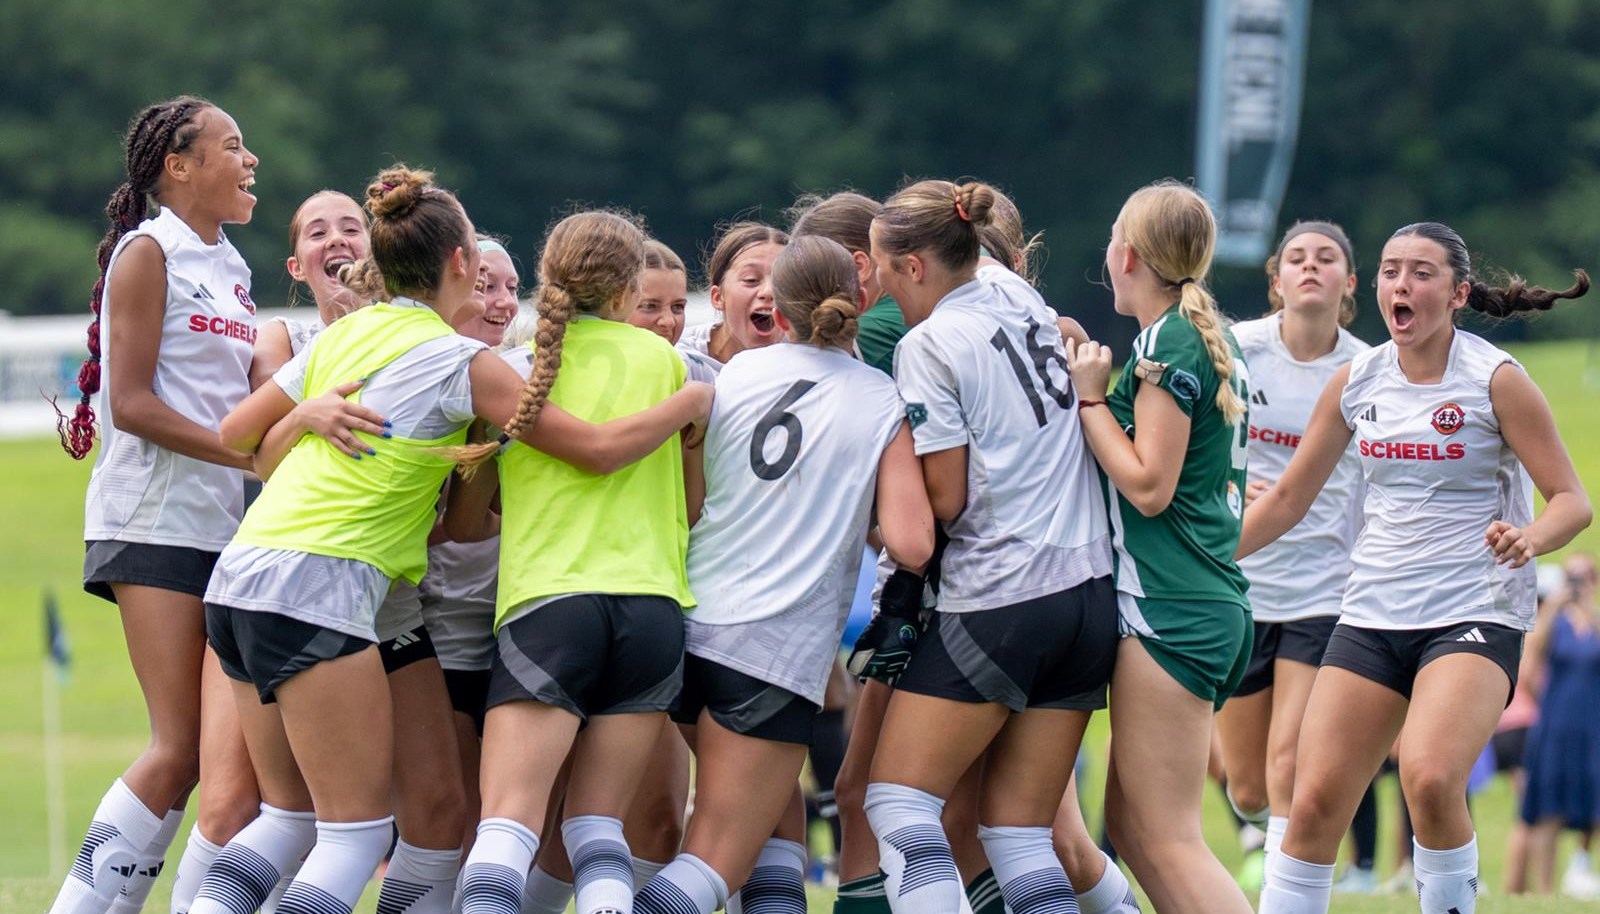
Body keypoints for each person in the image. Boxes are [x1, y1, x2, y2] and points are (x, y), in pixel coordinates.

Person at [201, 169, 710, 914]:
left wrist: (308, 411)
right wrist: (693, 400)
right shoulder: (460, 363)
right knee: (351, 836)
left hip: (241, 578)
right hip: (323, 583)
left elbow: (232, 435)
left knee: (289, 817)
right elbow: (595, 450)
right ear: (463, 265)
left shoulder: (343, 333)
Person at [1244, 221, 1592, 914]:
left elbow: (1572, 501)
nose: (1401, 285)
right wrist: (1203, 559)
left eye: (1421, 273)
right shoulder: (1358, 380)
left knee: (1430, 778)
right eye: (1390, 271)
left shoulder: (1496, 380)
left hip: (1473, 612)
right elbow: (1286, 499)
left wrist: (1529, 536)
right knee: (1310, 802)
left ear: (1458, 293)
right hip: (1371, 612)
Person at [634, 235, 933, 914]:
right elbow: (912, 543)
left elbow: (698, 497)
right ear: (860, 298)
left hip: (689, 625)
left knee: (779, 829)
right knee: (714, 854)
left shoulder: (733, 375)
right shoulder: (879, 397)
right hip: (772, 653)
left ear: (781, 308)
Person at [862, 179, 1116, 914]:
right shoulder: (1017, 296)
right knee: (1018, 832)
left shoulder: (929, 343)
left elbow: (947, 500)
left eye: (882, 269)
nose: (880, 286)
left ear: (914, 266)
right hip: (1088, 593)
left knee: (901, 808)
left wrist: (879, 491)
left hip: (1004, 595)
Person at [447, 209, 704, 914]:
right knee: (597, 830)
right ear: (628, 286)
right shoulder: (667, 363)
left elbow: (468, 525)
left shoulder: (514, 374)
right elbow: (693, 504)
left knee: (509, 822)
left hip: (549, 608)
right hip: (653, 610)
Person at [49, 96, 259, 914]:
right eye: (233, 147)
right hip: (152, 522)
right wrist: (246, 451)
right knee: (177, 748)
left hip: (221, 528)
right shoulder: (149, 252)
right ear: (180, 166)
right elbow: (130, 404)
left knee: (203, 758)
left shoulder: (232, 266)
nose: (251, 161)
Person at [173, 189, 375, 914]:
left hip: (376, 589)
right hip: (266, 582)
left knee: (338, 816)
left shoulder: (411, 341)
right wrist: (312, 413)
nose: (338, 239)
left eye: (353, 227)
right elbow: (255, 447)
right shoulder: (282, 342)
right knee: (231, 805)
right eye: (318, 232)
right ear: (297, 263)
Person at [1065, 179, 1255, 914]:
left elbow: (1150, 485)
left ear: (1129, 255)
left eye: (1114, 241)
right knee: (1139, 836)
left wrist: (1089, 398)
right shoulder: (1197, 332)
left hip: (1174, 607)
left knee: (1168, 838)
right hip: (1198, 603)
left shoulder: (1168, 340)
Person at [1214, 220, 1368, 876]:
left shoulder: (1367, 370)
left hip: (1324, 590)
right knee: (1246, 787)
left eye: (1326, 258)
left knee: (1289, 764)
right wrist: (1226, 487)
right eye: (1297, 258)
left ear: (1349, 282)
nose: (1311, 267)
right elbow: (1192, 442)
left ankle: (1290, 892)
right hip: (1240, 583)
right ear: (1275, 280)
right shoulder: (1235, 349)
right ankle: (1271, 846)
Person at [1519, 552, 1600, 895]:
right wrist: (1554, 606)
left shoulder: (1595, 622)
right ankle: (1545, 889)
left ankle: (1582, 866)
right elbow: (1530, 661)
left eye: (1585, 575)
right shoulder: (1555, 623)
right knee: (1549, 805)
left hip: (1593, 724)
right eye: (1572, 575)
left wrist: (1589, 608)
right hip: (1556, 724)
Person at [677, 221, 788, 379]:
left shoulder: (810, 360)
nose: (768, 291)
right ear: (718, 297)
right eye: (751, 280)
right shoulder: (681, 357)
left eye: (782, 281)